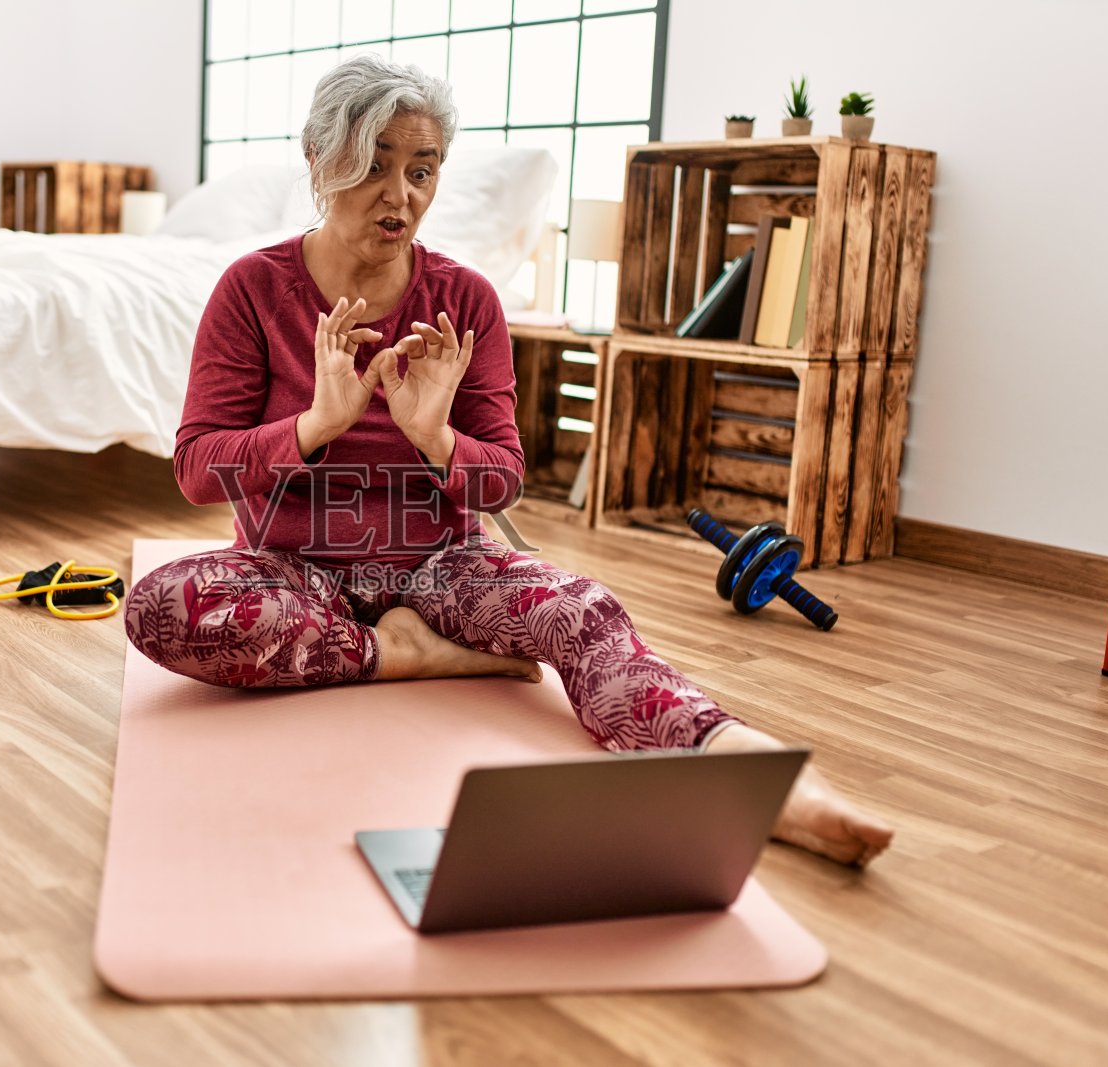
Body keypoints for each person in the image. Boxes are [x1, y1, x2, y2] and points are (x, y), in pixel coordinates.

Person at [124, 55, 894, 866]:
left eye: (422, 170)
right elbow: (197, 469)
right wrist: (315, 424)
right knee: (161, 607)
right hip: (292, 570)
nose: (402, 195)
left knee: (584, 608)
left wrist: (437, 438)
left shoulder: (469, 300)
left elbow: (503, 478)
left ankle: (755, 773)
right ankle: (404, 656)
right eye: (374, 164)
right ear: (318, 161)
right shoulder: (251, 290)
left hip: (444, 565)